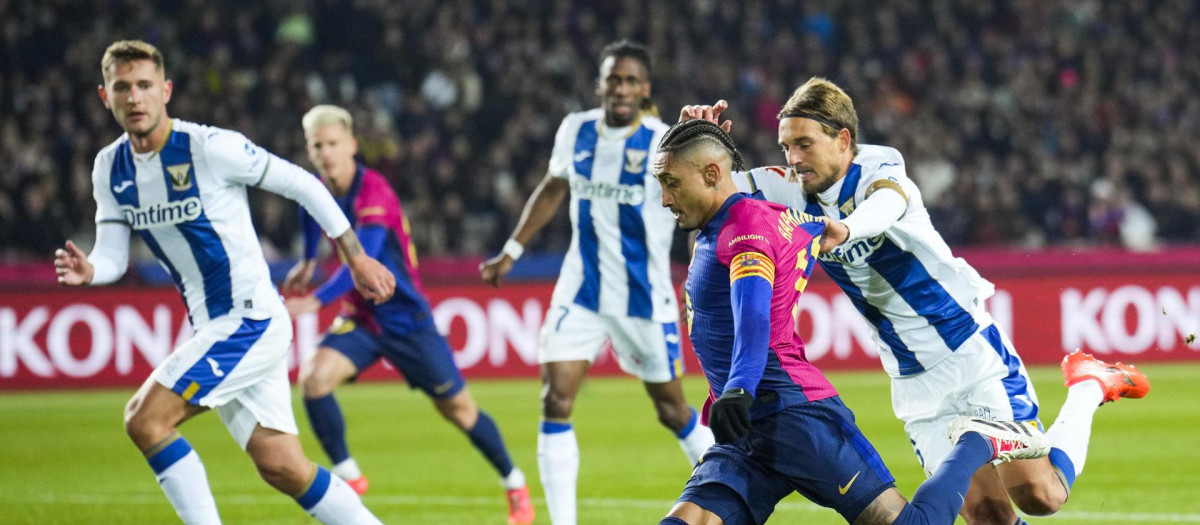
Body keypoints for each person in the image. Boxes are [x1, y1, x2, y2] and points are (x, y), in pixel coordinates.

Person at [683, 79, 1151, 523]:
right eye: (786, 145)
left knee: (1042, 497)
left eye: (804, 144)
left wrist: (846, 229)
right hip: (911, 381)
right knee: (987, 517)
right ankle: (994, 435)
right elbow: (700, 188)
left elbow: (887, 204)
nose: (792, 157)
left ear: (843, 140)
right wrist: (694, 138)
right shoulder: (785, 188)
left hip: (968, 351)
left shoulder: (879, 166)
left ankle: (1088, 385)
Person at [53, 40, 394, 524]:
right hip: (220, 327)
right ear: (104, 95)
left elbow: (304, 184)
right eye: (122, 87)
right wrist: (91, 270)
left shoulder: (210, 148)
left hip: (249, 318)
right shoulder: (110, 168)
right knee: (284, 467)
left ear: (166, 91)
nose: (135, 97)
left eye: (145, 86)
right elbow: (110, 252)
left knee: (145, 420)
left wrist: (354, 257)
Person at [653, 118, 1051, 525]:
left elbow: (753, 317)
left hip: (793, 414)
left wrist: (738, 386)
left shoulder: (747, 232)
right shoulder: (735, 221)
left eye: (672, 183)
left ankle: (976, 442)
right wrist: (700, 132)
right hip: (743, 427)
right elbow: (773, 211)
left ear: (712, 174)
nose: (665, 198)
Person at [479, 40, 715, 525]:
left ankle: (732, 485)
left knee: (672, 410)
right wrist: (512, 250)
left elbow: (697, 207)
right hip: (580, 289)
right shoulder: (575, 130)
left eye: (631, 81)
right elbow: (552, 188)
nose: (621, 88)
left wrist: (705, 272)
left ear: (645, 89)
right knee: (555, 398)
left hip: (642, 296)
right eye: (614, 79)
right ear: (600, 84)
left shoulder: (660, 143)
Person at [282, 104, 535, 524]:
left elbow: (365, 259)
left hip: (407, 320)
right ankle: (349, 477)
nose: (325, 153)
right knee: (313, 379)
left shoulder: (373, 192)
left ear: (352, 145)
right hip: (364, 319)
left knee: (459, 412)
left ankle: (514, 481)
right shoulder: (317, 187)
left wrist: (317, 299)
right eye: (317, 146)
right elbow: (308, 210)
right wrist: (308, 259)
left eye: (332, 144)